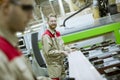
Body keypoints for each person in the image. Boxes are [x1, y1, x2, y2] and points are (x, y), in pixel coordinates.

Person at [0, 0, 51, 80]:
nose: (32, 16)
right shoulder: (2, 52)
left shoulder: (10, 44)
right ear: (6, 7)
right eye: (27, 8)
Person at [42, 13, 69, 80]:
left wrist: (69, 49)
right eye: (51, 21)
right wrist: (62, 52)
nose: (53, 23)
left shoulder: (57, 33)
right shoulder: (46, 36)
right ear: (47, 22)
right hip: (54, 66)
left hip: (61, 63)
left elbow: (61, 46)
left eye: (55, 21)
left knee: (64, 78)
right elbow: (49, 52)